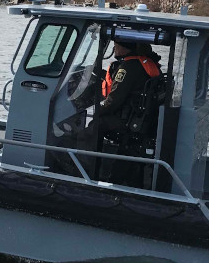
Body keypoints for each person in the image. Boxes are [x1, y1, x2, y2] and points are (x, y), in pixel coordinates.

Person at [69, 37, 163, 185]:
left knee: (91, 130)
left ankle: (83, 176)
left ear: (124, 47)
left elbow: (114, 100)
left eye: (116, 45)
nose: (115, 48)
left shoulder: (127, 67)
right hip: (140, 120)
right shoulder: (144, 65)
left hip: (127, 121)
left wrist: (98, 111)